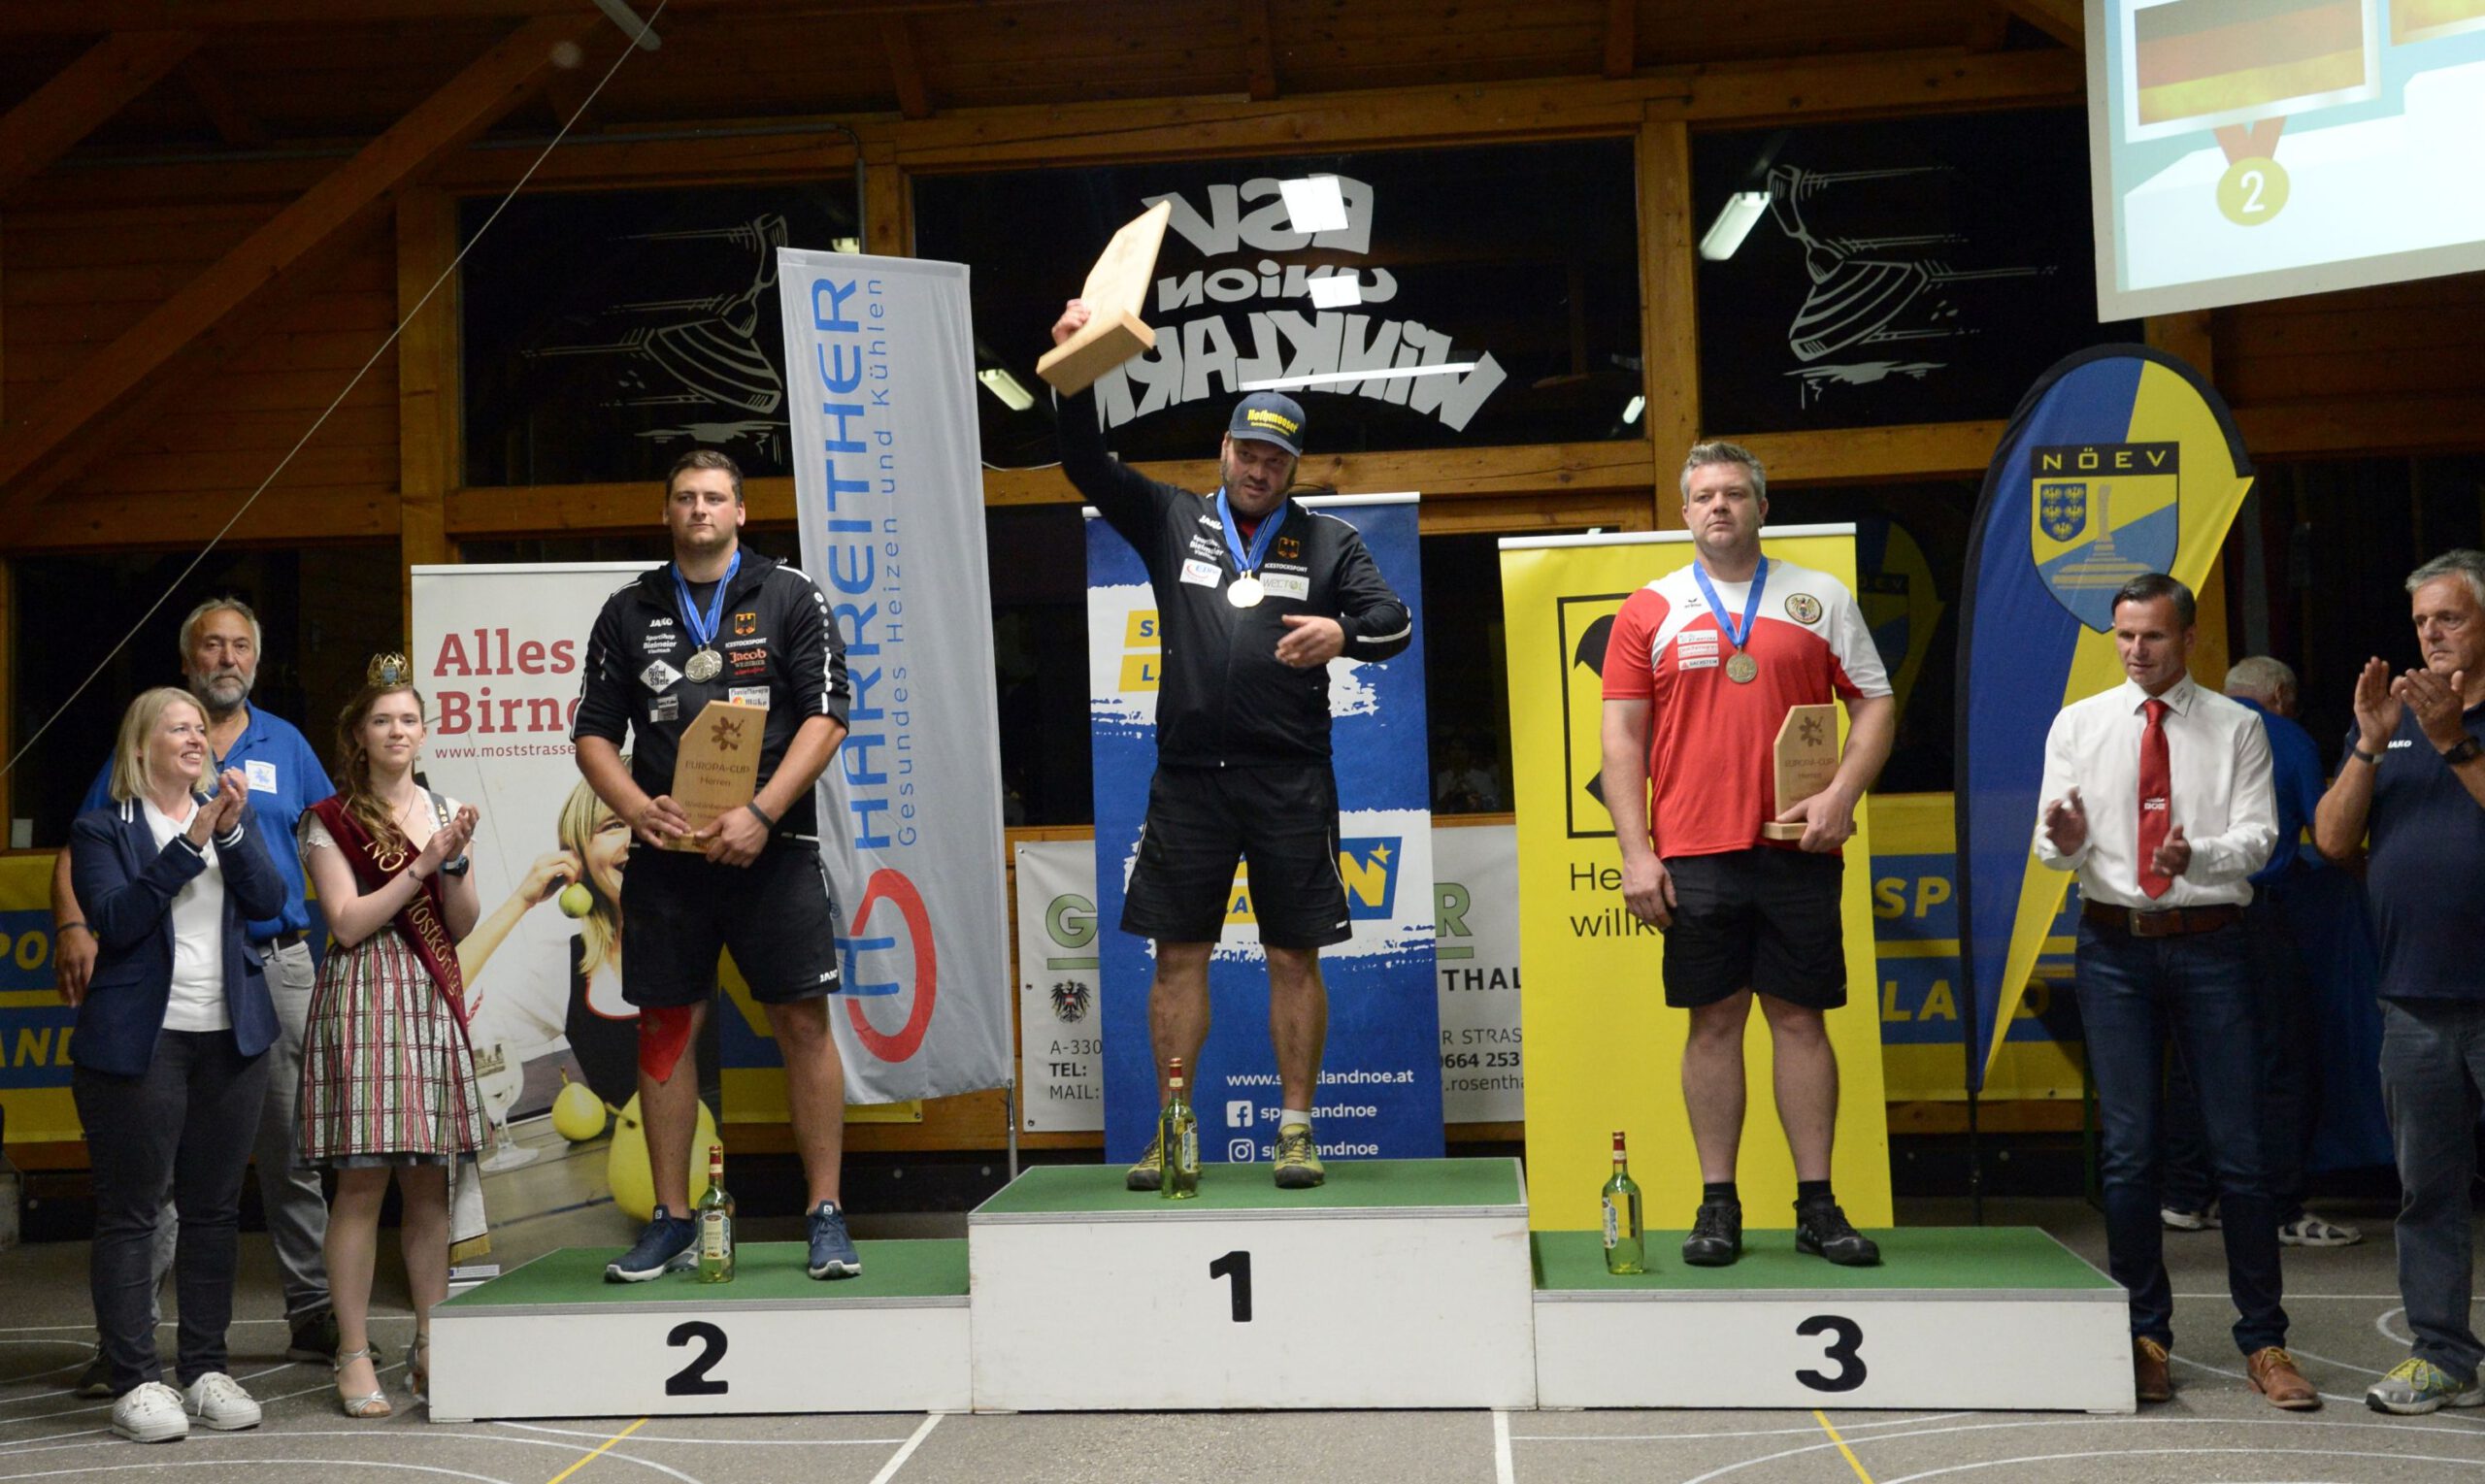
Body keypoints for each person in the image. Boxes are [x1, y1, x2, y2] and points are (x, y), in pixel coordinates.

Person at [1050, 300, 1413, 1191]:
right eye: (1247, 452)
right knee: (1178, 957)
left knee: (1294, 954)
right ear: (1224, 449)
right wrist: (1078, 370)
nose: (1258, 469)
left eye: (1275, 459)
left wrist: (1342, 633)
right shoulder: (1171, 518)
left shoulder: (1329, 541)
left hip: (1291, 780)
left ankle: (1295, 1129)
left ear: (1294, 466)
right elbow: (1085, 463)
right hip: (1189, 784)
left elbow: (1394, 622)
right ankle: (1175, 1128)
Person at [1600, 440, 1895, 1268]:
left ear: (1763, 507)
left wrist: (1842, 795)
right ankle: (1717, 1204)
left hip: (1798, 845)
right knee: (1714, 1021)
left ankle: (1818, 1205)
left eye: (1733, 493)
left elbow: (1876, 705)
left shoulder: (1820, 596)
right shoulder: (1649, 609)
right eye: (1703, 496)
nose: (1719, 506)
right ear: (1685, 513)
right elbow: (1621, 738)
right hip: (1693, 851)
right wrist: (1636, 852)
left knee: (1800, 1020)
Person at [573, 447, 858, 1280]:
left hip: (774, 849)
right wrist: (636, 809)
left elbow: (828, 717)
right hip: (668, 859)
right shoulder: (628, 609)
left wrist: (763, 812)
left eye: (713, 497)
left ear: (741, 511)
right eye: (685, 498)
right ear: (667, 513)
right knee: (665, 1027)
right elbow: (593, 735)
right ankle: (670, 1218)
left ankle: (826, 1212)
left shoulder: (791, 594)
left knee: (801, 1021)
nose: (699, 509)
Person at [2035, 574, 2311, 1409]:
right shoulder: (2079, 723)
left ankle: (2265, 1340)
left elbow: (2262, 836)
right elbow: (2053, 847)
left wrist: (2199, 857)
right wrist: (2064, 839)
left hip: (2213, 942)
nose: (2135, 650)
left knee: (2241, 1149)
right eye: (2124, 635)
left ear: (2189, 638)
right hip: (2113, 946)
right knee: (2129, 1152)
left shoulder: (2237, 726)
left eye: (2152, 635)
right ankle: (2144, 1337)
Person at [51, 598, 341, 1393]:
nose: (227, 657)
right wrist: (74, 921)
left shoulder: (284, 744)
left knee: (276, 1160)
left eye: (241, 644)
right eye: (212, 645)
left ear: (257, 657)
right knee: (147, 1191)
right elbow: (97, 874)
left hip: (262, 978)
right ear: (186, 662)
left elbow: (306, 859)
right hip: (153, 1000)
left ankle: (287, 1321)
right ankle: (131, 1346)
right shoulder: (122, 796)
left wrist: (236, 834)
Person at [68, 688, 286, 1443]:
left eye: (201, 728)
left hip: (231, 1036)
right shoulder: (103, 827)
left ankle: (203, 1368)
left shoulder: (227, 817)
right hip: (142, 1041)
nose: (197, 738)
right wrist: (190, 842)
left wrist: (228, 832)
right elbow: (118, 919)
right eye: (179, 728)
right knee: (133, 1210)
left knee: (216, 1210)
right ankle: (135, 1378)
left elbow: (270, 898)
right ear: (141, 746)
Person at [2313, 548, 2485, 1416]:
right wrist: (2370, 746)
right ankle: (2442, 1355)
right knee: (2428, 1193)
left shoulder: (2448, 725)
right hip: (2414, 996)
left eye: (2448, 616)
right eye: (2421, 621)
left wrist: (2454, 741)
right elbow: (2332, 840)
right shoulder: (2399, 719)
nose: (2431, 633)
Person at [296, 657, 485, 1416]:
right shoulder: (329, 818)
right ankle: (352, 1351)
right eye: (382, 720)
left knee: (429, 1184)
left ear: (425, 731)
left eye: (409, 718)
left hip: (429, 996)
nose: (397, 730)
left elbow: (459, 924)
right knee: (363, 1182)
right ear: (360, 735)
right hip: (365, 995)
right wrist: (422, 867)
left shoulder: (446, 810)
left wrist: (454, 861)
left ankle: (432, 1342)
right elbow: (346, 922)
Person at [2159, 655, 2361, 1247]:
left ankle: (2183, 1196)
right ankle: (2278, 1207)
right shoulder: (2286, 738)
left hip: (2183, 913)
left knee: (2194, 1058)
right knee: (2281, 1061)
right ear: (2278, 696)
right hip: (2256, 914)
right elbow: (2329, 836)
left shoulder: (2181, 728)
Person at [456, 776, 637, 1107]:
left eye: (655, 817)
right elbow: (435, 1005)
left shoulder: (718, 929)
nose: (637, 838)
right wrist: (520, 902)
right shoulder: (563, 970)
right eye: (614, 825)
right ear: (577, 859)